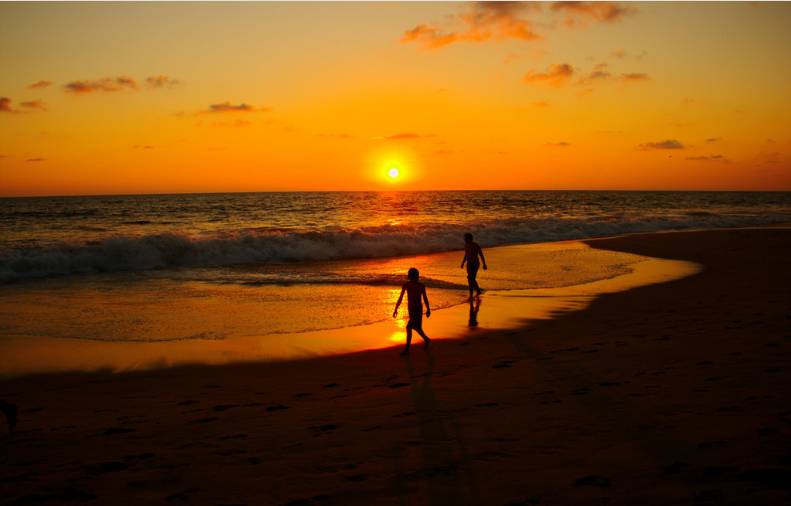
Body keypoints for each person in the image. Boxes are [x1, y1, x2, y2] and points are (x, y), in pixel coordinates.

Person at [392, 267, 431, 355]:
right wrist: (396, 308)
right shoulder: (407, 285)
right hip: (411, 308)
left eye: (413, 276)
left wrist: (428, 309)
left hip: (417, 309)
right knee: (416, 327)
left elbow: (425, 298)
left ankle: (407, 349)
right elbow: (400, 298)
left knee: (410, 327)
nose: (413, 277)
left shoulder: (421, 286)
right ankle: (426, 339)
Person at [460, 233, 487, 299]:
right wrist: (463, 263)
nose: (464, 239)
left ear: (469, 238)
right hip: (469, 263)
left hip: (475, 264)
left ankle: (473, 292)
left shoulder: (475, 245)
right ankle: (476, 291)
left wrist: (484, 264)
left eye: (465, 238)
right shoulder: (466, 245)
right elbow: (466, 255)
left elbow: (481, 254)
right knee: (470, 278)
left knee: (471, 278)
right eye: (464, 238)